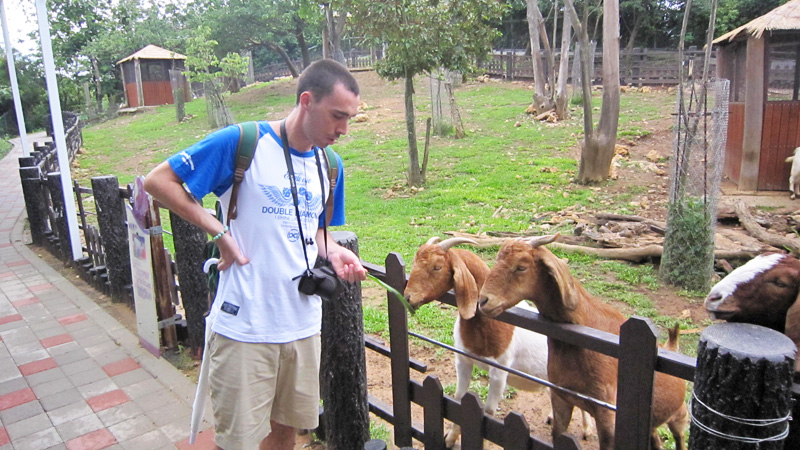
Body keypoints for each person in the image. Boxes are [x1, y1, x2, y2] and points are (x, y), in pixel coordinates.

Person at [143, 59, 367, 450]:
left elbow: (314, 233)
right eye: (337, 116)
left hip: (301, 325)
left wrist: (333, 252)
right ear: (306, 101)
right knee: (239, 441)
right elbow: (158, 181)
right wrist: (219, 232)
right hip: (245, 325)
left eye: (349, 119)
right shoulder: (243, 142)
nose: (343, 130)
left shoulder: (330, 165)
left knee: (286, 433)